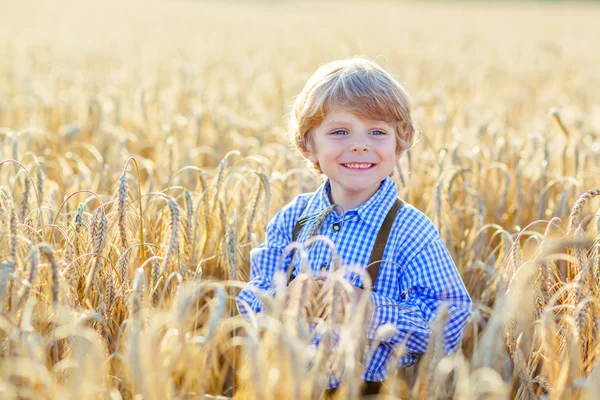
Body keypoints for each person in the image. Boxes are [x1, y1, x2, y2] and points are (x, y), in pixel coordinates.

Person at [236, 56, 472, 396]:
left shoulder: (410, 230)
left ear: (400, 141)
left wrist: (365, 308)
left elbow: (451, 319)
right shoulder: (293, 218)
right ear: (308, 145)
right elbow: (251, 297)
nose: (359, 145)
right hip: (281, 385)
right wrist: (283, 300)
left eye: (377, 132)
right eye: (339, 131)